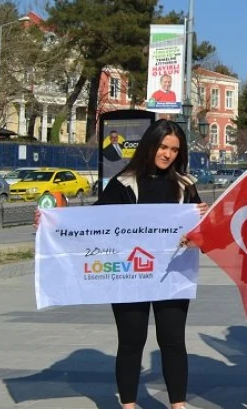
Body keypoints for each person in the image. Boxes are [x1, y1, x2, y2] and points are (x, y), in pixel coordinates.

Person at [95, 119, 207, 409]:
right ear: (149, 145)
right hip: (130, 276)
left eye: (173, 149)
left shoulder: (186, 185)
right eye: (162, 146)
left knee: (173, 341)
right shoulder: (122, 184)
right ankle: (129, 404)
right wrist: (50, 221)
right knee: (132, 341)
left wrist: (201, 225)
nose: (167, 154)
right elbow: (92, 224)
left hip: (172, 275)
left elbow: (202, 233)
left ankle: (178, 404)